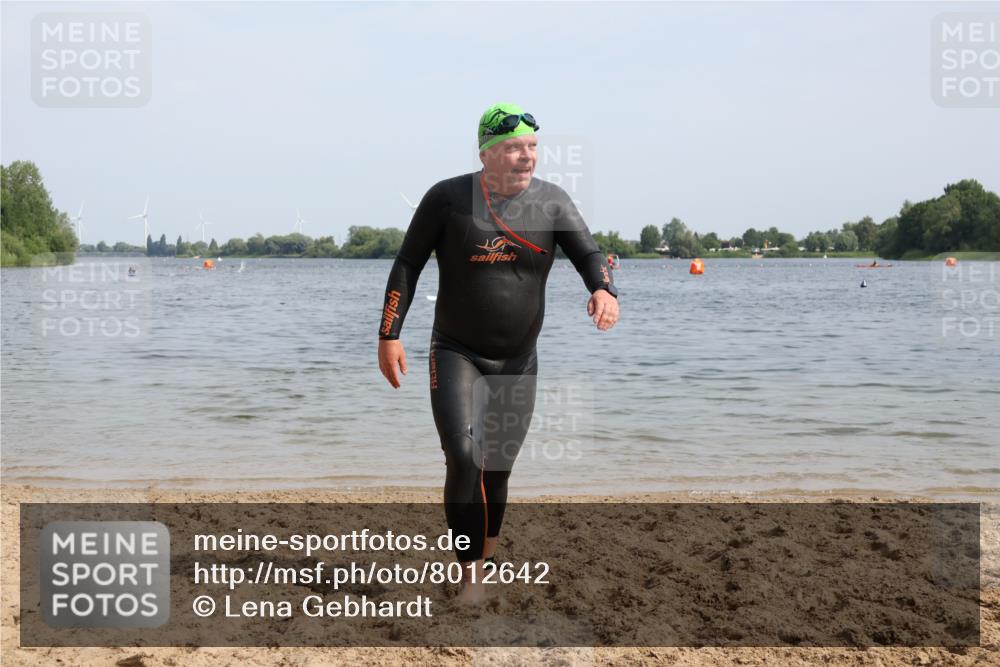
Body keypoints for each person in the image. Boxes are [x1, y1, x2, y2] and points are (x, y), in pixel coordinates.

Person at [377, 102, 619, 603]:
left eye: (532, 146)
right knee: (464, 457)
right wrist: (389, 334)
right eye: (513, 147)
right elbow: (407, 263)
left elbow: (590, 254)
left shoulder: (552, 203)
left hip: (518, 359)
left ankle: (481, 561)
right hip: (456, 352)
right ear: (486, 152)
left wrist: (603, 289)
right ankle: (469, 574)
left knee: (497, 471)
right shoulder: (447, 199)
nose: (526, 156)